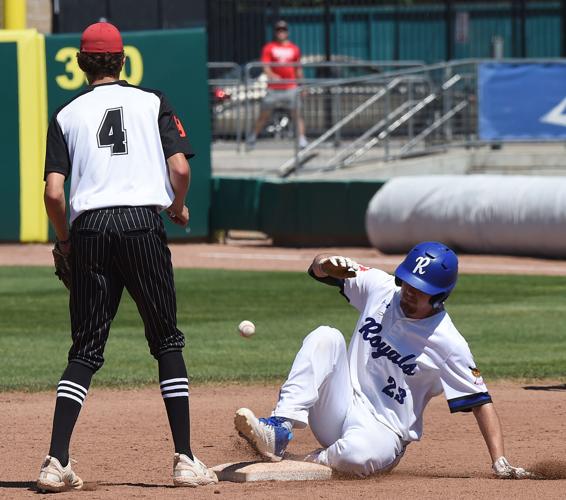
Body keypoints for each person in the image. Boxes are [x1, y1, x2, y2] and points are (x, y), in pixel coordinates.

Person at [37, 22, 217, 492]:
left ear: (81, 62)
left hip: (91, 229)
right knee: (166, 342)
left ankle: (56, 462)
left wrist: (66, 242)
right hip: (141, 225)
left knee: (86, 349)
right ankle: (184, 460)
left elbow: (54, 194)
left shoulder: (66, 113)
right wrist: (176, 207)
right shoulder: (152, 101)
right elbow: (179, 167)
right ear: (122, 60)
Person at [234, 243, 531, 479]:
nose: (410, 292)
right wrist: (325, 263)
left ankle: (311, 461)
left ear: (440, 296)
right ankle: (279, 429)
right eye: (408, 283)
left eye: (421, 290)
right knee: (325, 336)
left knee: (356, 456)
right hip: (340, 404)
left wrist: (499, 461)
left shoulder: (449, 342)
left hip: (383, 432)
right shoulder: (383, 288)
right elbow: (318, 270)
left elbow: (480, 400)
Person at [246, 20, 308, 150]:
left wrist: (303, 85)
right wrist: (274, 76)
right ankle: (252, 137)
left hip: (291, 87)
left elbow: (298, 69)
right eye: (279, 30)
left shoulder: (294, 48)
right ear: (275, 32)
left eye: (283, 30)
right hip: (274, 88)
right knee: (264, 115)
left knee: (297, 114)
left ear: (287, 32)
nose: (281, 32)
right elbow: (266, 67)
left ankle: (302, 139)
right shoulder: (269, 47)